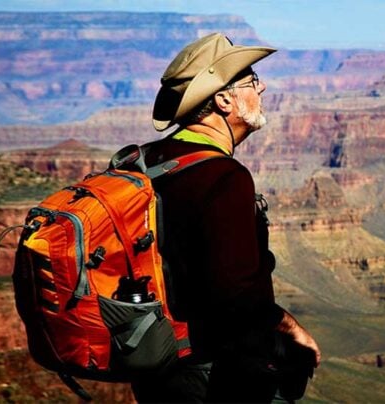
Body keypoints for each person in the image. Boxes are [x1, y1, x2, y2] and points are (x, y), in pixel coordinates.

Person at [130, 33, 321, 403]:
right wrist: (292, 330)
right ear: (223, 99)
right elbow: (236, 296)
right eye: (251, 79)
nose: (261, 86)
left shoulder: (146, 162)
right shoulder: (223, 177)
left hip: (157, 370)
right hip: (214, 375)